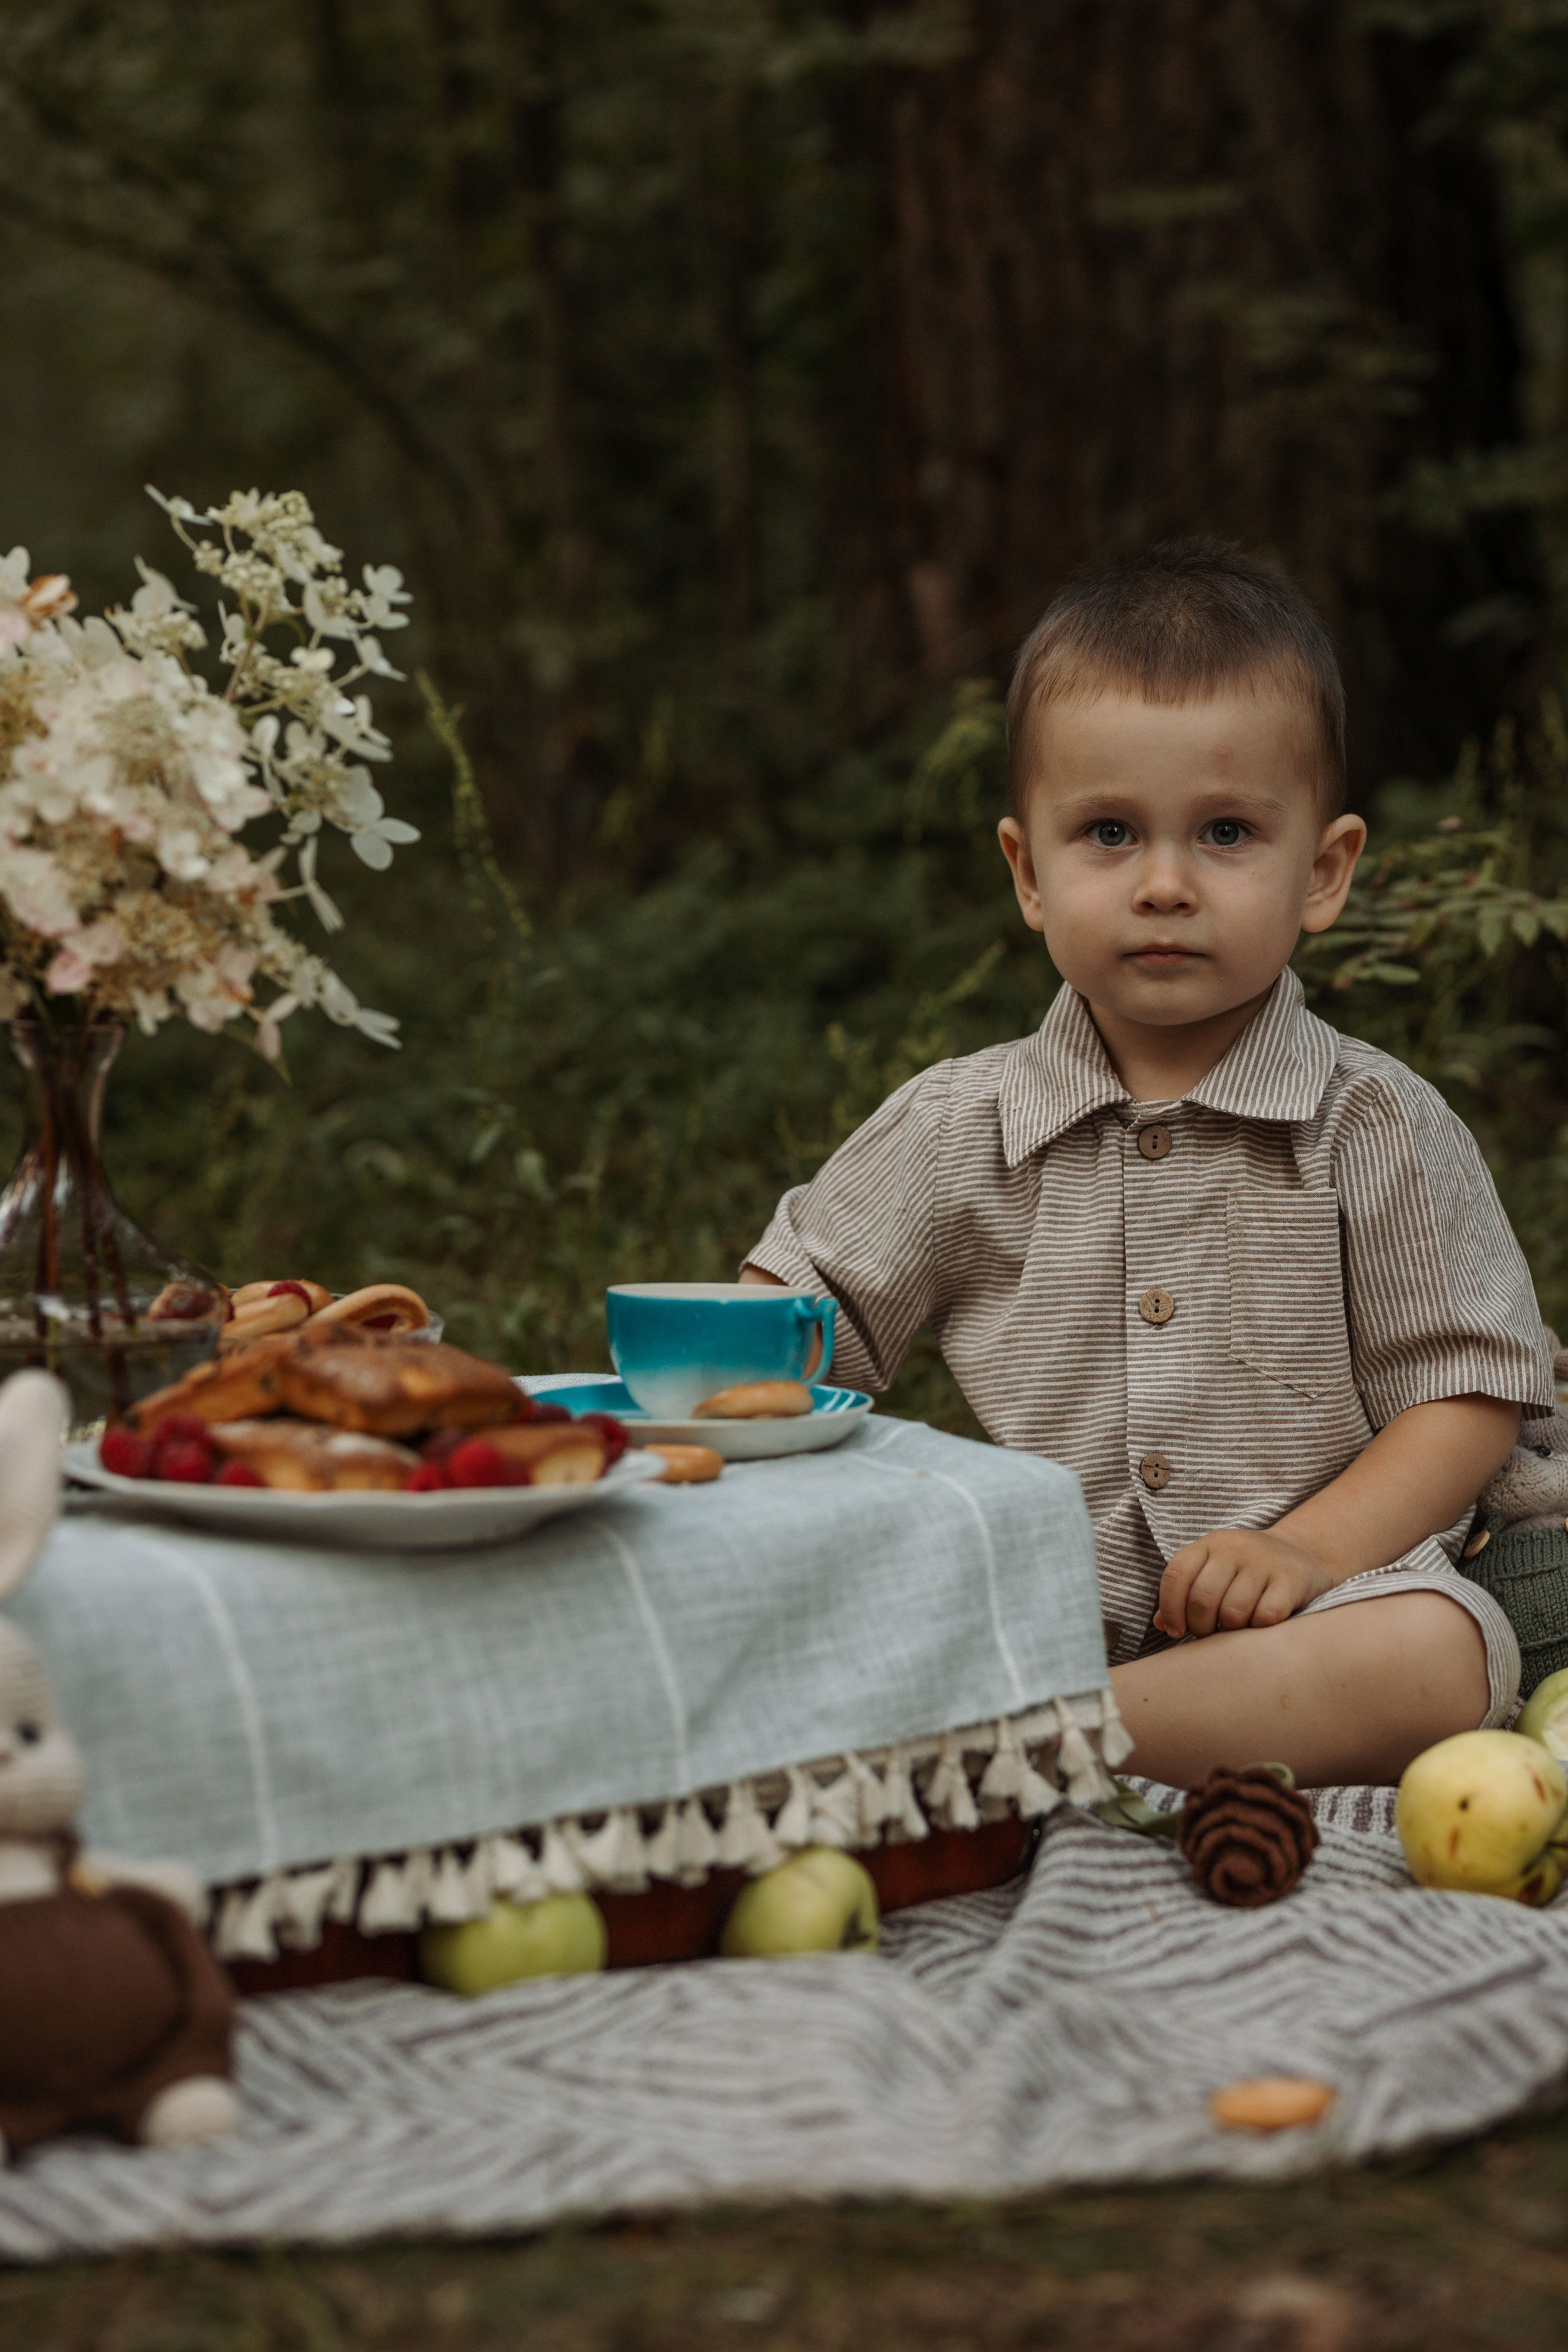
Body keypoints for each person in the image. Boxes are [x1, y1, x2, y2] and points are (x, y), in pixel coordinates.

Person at [742, 539, 1553, 1789]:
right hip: (1046, 1604)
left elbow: (1463, 1399)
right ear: (1028, 872)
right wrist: (663, 1400)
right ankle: (1029, 1723)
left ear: (1322, 872)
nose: (1164, 885)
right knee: (822, 1572)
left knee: (1435, 1656)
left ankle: (1009, 1746)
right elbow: (798, 1322)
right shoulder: (958, 1127)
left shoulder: (1374, 1125)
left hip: (1331, 1609)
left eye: (1225, 833)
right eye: (1109, 833)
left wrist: (1306, 1552)